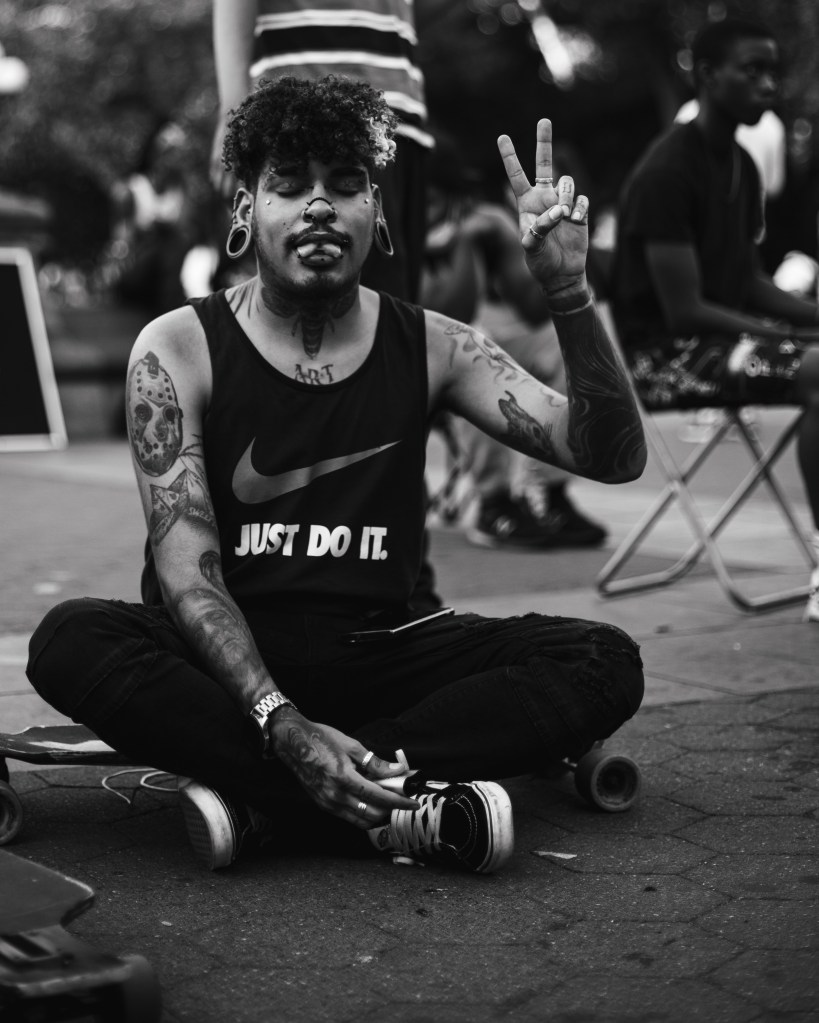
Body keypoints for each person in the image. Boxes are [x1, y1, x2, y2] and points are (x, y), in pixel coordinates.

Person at [27, 77, 646, 877]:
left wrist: (567, 292)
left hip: (385, 652)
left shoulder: (435, 345)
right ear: (246, 210)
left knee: (601, 657)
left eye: (346, 185)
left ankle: (274, 802)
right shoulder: (177, 346)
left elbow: (610, 455)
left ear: (376, 213)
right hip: (229, 664)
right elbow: (187, 577)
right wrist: (279, 717)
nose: (319, 205)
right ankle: (401, 803)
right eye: (289, 185)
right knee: (70, 638)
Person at [611, 17, 819, 623]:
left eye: (773, 72)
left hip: (720, 342)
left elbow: (748, 281)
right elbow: (685, 310)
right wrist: (789, 337)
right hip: (667, 360)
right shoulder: (666, 171)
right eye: (752, 71)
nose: (769, 85)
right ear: (706, 75)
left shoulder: (743, 166)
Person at [422, 134, 607, 550]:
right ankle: (493, 502)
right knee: (471, 342)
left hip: (452, 354)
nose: (427, 209)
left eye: (435, 198)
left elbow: (536, 310)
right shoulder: (379, 222)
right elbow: (442, 312)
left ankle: (549, 494)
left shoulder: (481, 220)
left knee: (557, 340)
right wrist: (462, 243)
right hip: (400, 361)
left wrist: (542, 247)